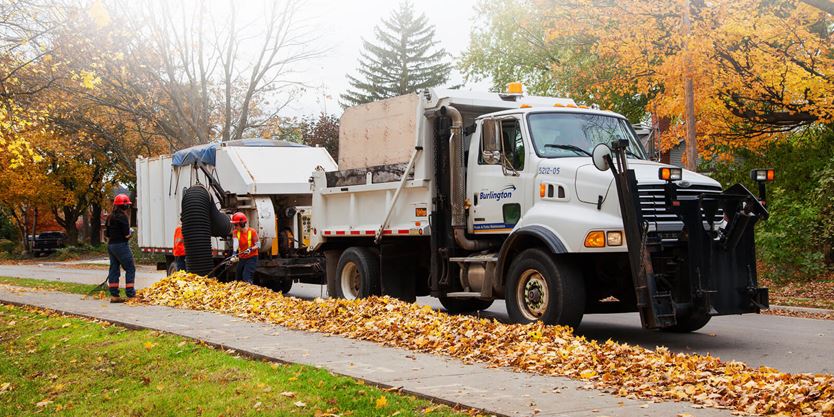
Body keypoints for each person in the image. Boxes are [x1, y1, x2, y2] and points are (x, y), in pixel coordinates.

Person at [105, 194, 136, 303]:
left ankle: (114, 295)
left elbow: (107, 234)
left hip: (111, 246)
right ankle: (130, 294)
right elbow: (126, 235)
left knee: (114, 269)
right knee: (130, 268)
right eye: (127, 205)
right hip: (121, 245)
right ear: (124, 206)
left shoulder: (109, 217)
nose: (127, 207)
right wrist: (131, 232)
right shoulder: (122, 217)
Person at [230, 212, 259, 284]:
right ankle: (239, 293)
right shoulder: (235, 232)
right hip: (242, 257)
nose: (235, 227)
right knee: (238, 277)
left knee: (246, 276)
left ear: (242, 224)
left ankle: (249, 292)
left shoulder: (252, 231)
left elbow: (258, 245)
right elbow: (236, 243)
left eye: (236, 225)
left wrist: (250, 249)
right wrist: (234, 253)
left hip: (252, 257)